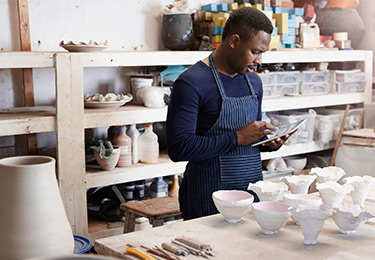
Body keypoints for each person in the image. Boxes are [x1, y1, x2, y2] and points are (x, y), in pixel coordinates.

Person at [166, 7, 292, 220]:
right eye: (255, 52)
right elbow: (179, 149)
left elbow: (246, 138)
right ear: (234, 41)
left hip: (250, 192)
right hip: (208, 196)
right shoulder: (192, 82)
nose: (259, 61)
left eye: (262, 53)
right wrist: (238, 138)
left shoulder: (253, 82)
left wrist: (267, 142)